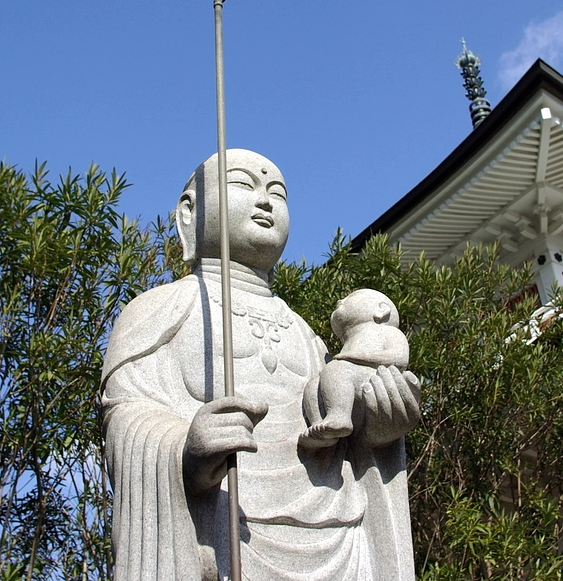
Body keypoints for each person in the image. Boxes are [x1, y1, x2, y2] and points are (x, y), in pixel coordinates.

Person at [100, 149, 421, 581]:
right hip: (223, 532)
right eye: (241, 185)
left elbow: (336, 428)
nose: (265, 201)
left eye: (278, 193)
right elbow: (126, 416)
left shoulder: (305, 333)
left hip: (336, 533)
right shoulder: (160, 309)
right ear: (188, 215)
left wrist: (378, 428)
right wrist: (183, 448)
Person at [300, 289, 409, 449]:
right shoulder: (348, 343)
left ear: (381, 310)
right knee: (313, 385)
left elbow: (400, 358)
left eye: (351, 297)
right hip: (347, 381)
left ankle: (339, 416)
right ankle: (319, 427)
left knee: (337, 369)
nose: (340, 301)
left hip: (373, 380)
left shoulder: (388, 332)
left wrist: (357, 356)